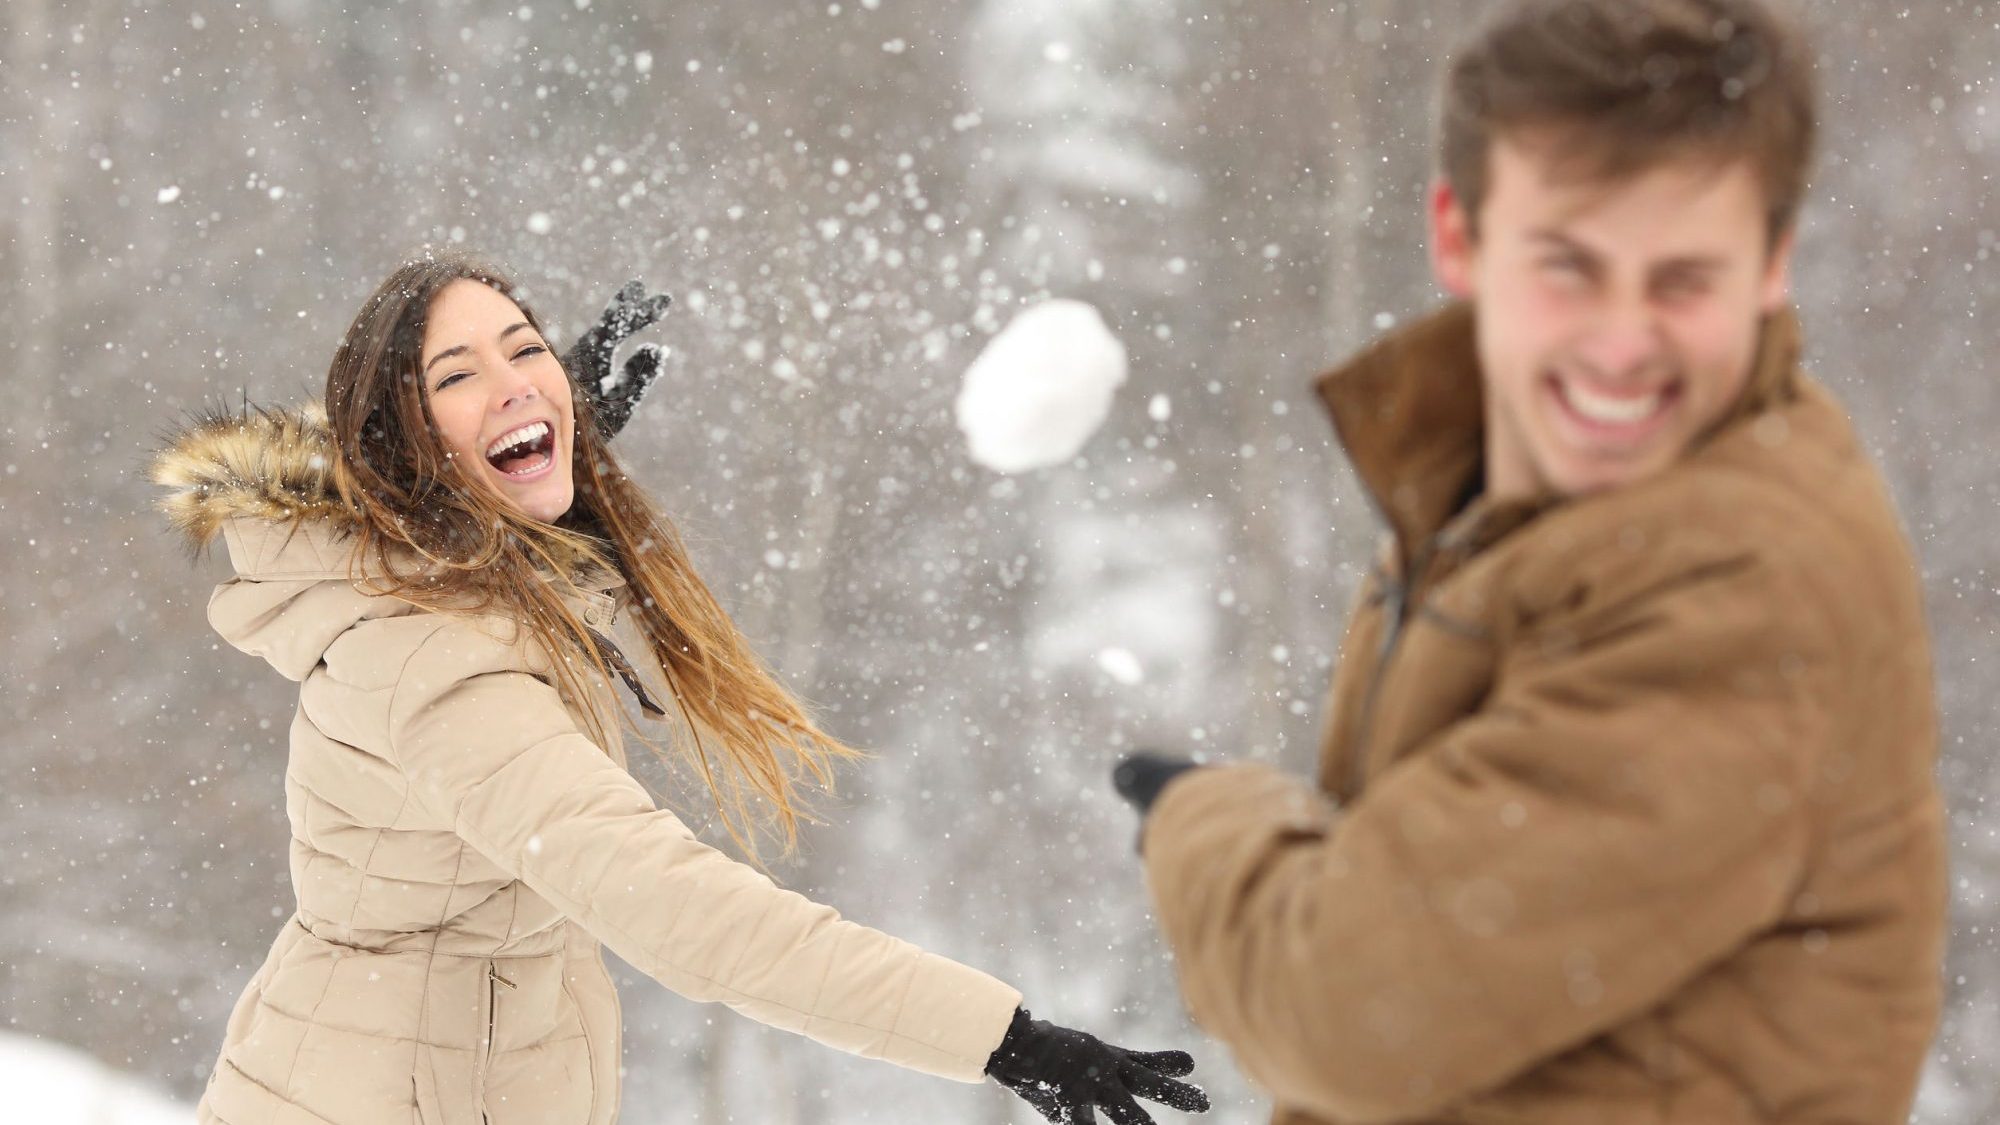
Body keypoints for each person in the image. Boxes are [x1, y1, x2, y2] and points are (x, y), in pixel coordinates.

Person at [1111, 0, 1947, 1121]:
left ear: (1770, 265)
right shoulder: (1504, 498)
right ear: (1456, 236)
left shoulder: (1740, 579)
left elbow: (1351, 1008)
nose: (1618, 341)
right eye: (1568, 266)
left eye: (1680, 280)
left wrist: (1202, 822)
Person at [151, 252, 1211, 1125]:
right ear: (399, 441)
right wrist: (997, 1036)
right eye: (457, 374)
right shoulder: (435, 661)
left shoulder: (453, 580)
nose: (518, 379)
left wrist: (519, 478)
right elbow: (673, 907)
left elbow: (442, 529)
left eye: (525, 351)